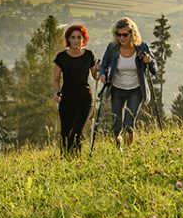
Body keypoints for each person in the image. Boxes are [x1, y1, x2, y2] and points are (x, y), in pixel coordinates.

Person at [98, 17, 157, 149]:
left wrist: (149, 61)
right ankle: (119, 148)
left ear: (133, 33)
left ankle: (128, 149)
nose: (122, 38)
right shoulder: (113, 48)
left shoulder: (142, 47)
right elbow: (104, 64)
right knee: (116, 123)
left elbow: (154, 69)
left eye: (125, 34)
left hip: (136, 89)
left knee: (129, 122)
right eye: (118, 35)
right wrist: (103, 74)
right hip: (117, 88)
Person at [52, 24, 99, 155]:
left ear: (84, 39)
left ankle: (75, 162)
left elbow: (95, 76)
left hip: (85, 99)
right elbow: (56, 79)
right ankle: (66, 162)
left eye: (79, 37)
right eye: (73, 37)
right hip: (66, 99)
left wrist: (99, 69)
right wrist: (56, 92)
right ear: (68, 39)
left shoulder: (88, 55)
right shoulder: (61, 57)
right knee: (65, 134)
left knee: (76, 131)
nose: (76, 40)